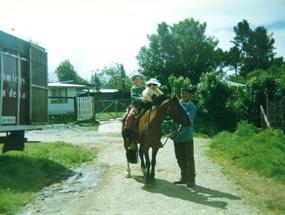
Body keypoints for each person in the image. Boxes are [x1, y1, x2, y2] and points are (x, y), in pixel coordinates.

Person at [172, 87, 197, 188]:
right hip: (177, 137)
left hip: (186, 137)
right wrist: (172, 131)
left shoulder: (191, 107)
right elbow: (173, 118)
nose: (184, 95)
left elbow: (188, 122)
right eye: (182, 93)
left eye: (186, 93)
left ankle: (191, 179)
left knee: (189, 158)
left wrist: (179, 132)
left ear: (190, 95)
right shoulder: (177, 104)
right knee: (179, 158)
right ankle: (184, 178)